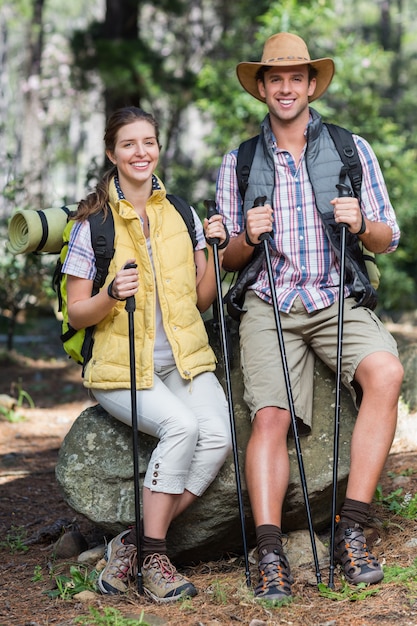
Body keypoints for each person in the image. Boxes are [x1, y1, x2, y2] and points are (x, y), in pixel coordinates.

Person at [216, 32, 403, 600]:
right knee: (270, 416)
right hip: (269, 301)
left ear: (312, 84)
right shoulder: (240, 161)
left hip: (336, 298)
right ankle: (269, 551)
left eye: (297, 78)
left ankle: (352, 528)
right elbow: (223, 260)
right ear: (263, 89)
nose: (287, 88)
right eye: (276, 79)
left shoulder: (351, 149)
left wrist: (360, 222)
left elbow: (389, 236)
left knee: (387, 374)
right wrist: (246, 236)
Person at [63, 106, 232, 602]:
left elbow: (202, 300)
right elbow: (77, 313)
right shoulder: (91, 224)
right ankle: (156, 559)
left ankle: (131, 544)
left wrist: (217, 255)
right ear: (112, 153)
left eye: (149, 142)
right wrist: (111, 294)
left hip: (183, 358)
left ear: (159, 147)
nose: (141, 152)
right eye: (130, 144)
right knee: (183, 427)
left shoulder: (181, 213)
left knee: (218, 437)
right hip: (120, 368)